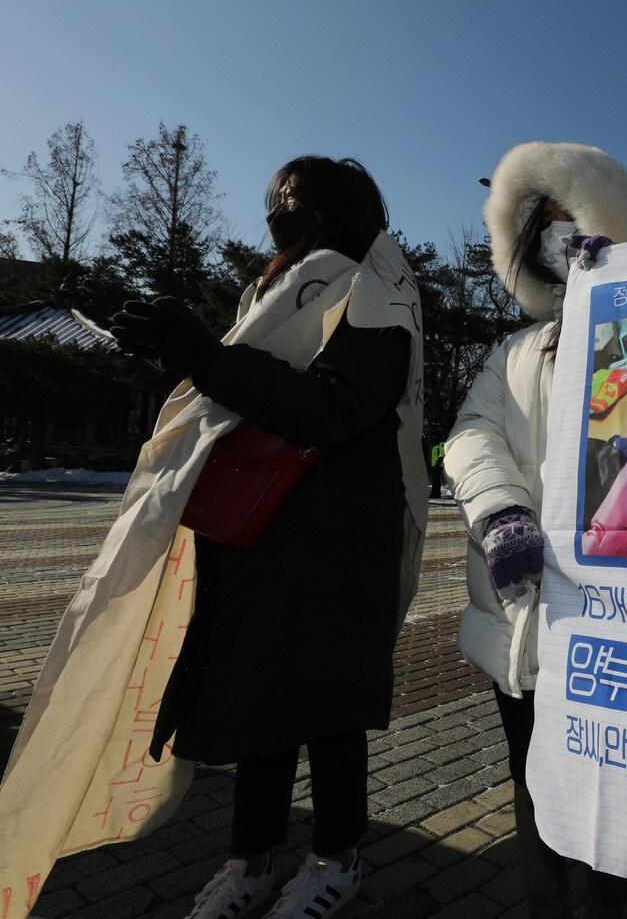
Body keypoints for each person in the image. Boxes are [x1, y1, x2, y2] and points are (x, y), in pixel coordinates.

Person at [110, 157, 427, 919]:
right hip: (260, 535)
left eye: (295, 197)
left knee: (330, 710)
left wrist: (206, 357)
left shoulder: (373, 288)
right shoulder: (269, 294)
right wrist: (189, 358)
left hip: (340, 541)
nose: (279, 208)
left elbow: (331, 407)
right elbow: (240, 398)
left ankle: (336, 861)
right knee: (260, 707)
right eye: (275, 197)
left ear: (340, 209)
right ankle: (249, 864)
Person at [443, 142, 627, 919]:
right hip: (524, 616)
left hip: (622, 623)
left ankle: (606, 902)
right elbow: (471, 435)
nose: (562, 235)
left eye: (577, 217)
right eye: (546, 222)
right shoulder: (512, 354)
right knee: (532, 775)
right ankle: (546, 901)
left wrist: (626, 317)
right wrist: (501, 512)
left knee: (612, 783)